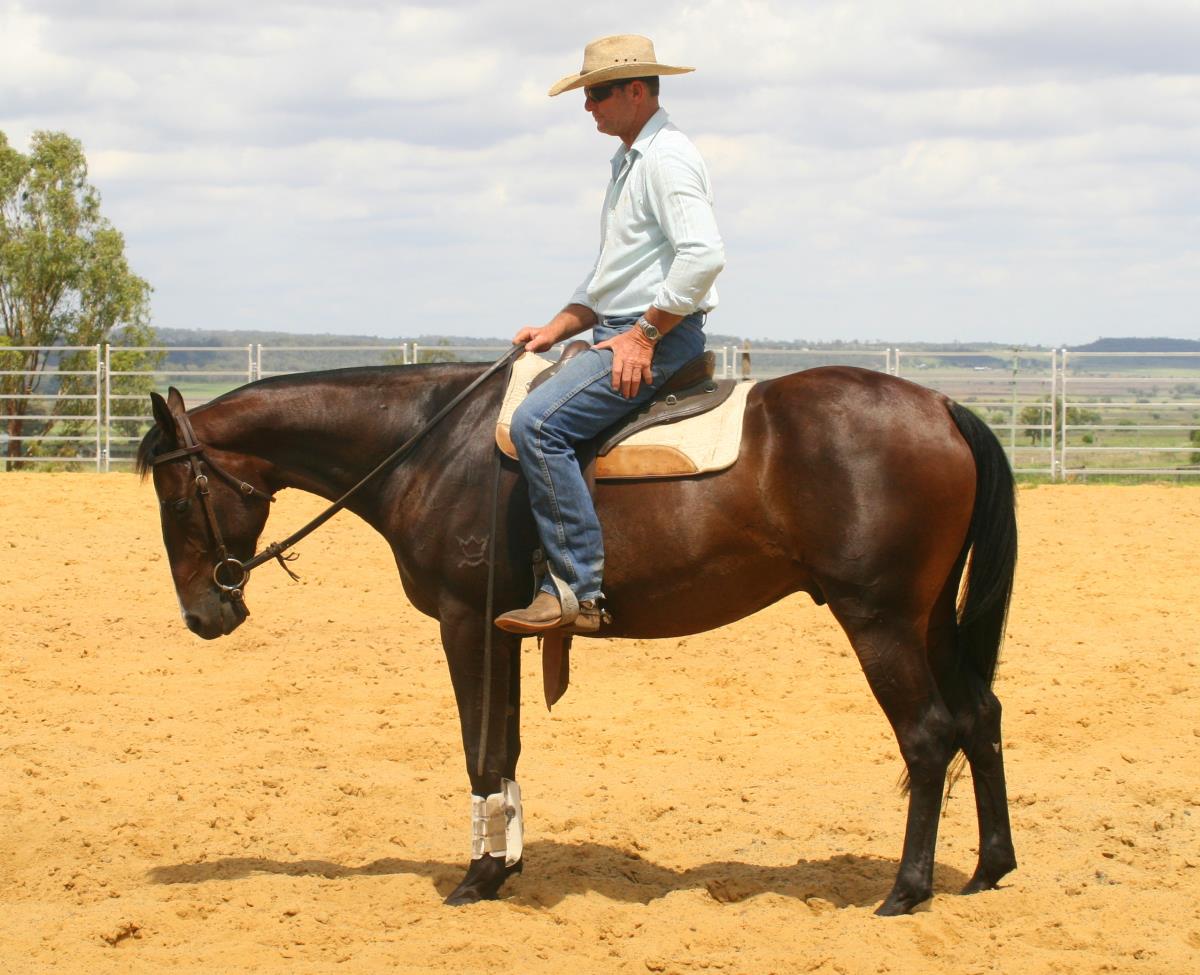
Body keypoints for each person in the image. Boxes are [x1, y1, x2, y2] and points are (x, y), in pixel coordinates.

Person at [494, 34, 725, 635]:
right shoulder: (629, 162)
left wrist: (643, 335)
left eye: (597, 93)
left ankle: (577, 590)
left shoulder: (666, 158)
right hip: (623, 328)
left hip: (659, 336)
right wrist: (559, 326)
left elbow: (703, 256)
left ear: (636, 90)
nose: (588, 106)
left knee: (537, 424)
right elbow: (611, 276)